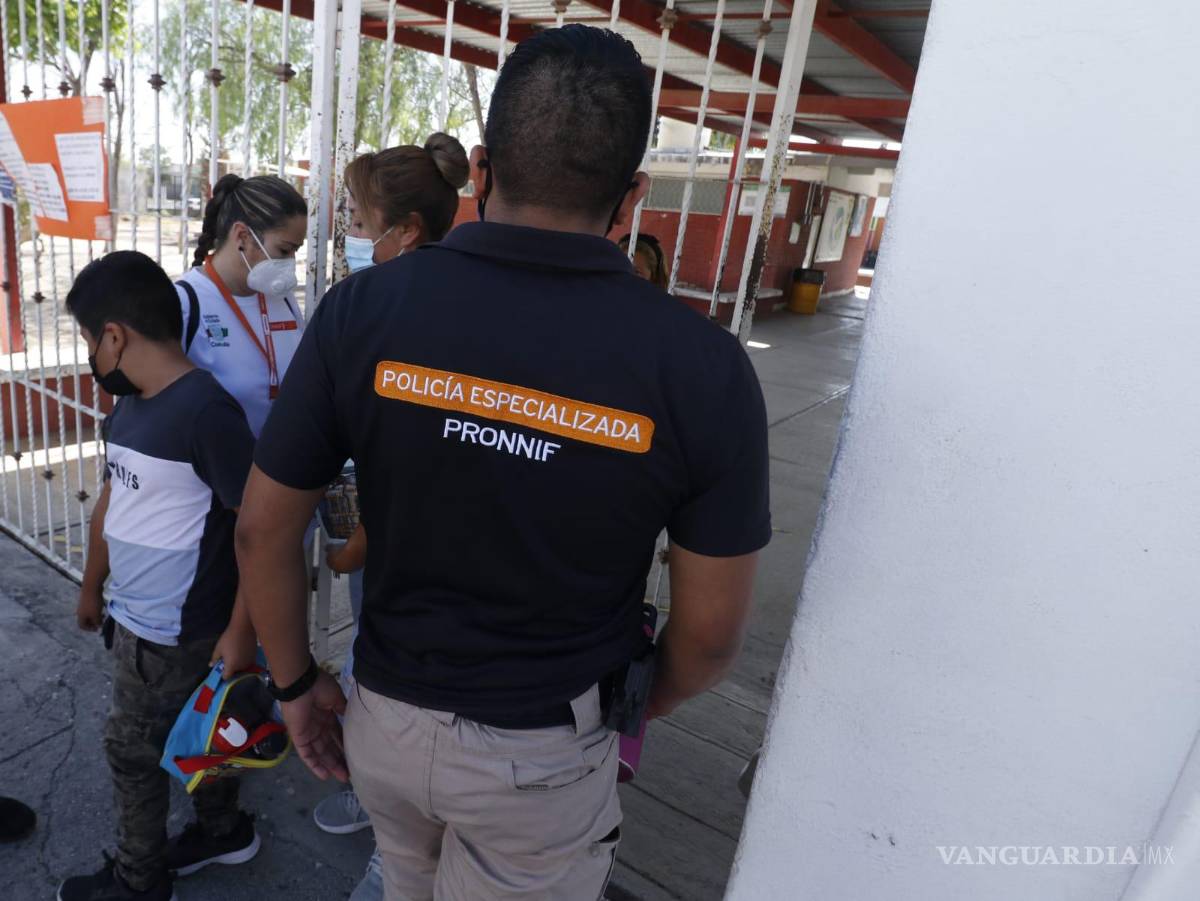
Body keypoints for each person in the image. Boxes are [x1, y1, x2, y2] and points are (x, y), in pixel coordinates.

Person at [236, 24, 769, 901]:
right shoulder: (703, 367)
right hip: (547, 753)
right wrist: (609, 722)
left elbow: (262, 528)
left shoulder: (363, 310)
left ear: (481, 172)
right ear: (631, 195)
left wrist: (294, 683)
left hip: (386, 723)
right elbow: (710, 636)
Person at [60, 252, 260, 901]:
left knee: (134, 752)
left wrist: (240, 630)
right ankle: (223, 830)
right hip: (134, 618)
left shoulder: (206, 412)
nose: (90, 355)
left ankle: (139, 878)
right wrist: (93, 585)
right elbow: (112, 502)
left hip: (178, 631)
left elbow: (256, 531)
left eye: (89, 340)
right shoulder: (129, 410)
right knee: (201, 735)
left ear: (114, 336)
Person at [313, 133, 470, 901]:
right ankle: (383, 810)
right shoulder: (472, 307)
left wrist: (355, 531)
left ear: (405, 229)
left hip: (397, 544)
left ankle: (393, 838)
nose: (350, 233)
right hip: (406, 546)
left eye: (358, 218)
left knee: (389, 672)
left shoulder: (368, 312)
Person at [176, 174, 307, 438]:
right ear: (242, 236)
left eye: (296, 250)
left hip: (276, 469)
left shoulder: (280, 296)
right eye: (284, 250)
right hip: (212, 475)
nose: (291, 262)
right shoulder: (184, 303)